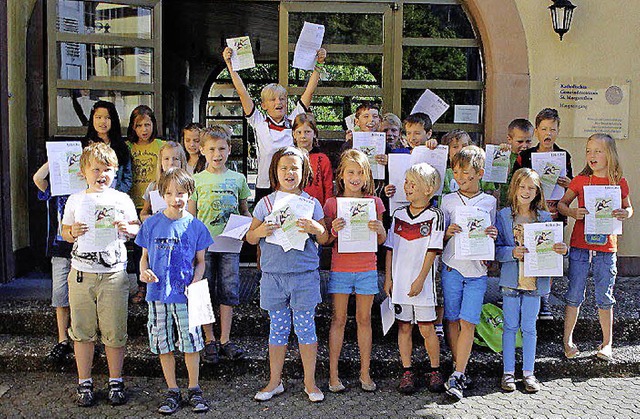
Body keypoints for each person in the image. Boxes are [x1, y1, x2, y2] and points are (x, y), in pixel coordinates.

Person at [246, 147, 329, 402]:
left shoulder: (311, 204)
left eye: (294, 167)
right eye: (283, 168)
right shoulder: (266, 203)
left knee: (306, 329)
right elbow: (249, 238)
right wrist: (260, 232)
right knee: (277, 329)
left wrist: (316, 227)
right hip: (273, 276)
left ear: (304, 172)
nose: (289, 172)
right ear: (275, 172)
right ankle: (274, 381)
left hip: (304, 275)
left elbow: (324, 238)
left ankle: (310, 382)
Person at [61, 143, 139, 407]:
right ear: (84, 171)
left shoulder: (121, 199)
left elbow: (136, 228)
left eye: (107, 169)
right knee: (82, 331)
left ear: (115, 172)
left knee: (115, 331)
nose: (101, 174)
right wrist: (72, 232)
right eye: (96, 169)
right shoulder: (76, 199)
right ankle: (85, 382)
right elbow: (64, 232)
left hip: (114, 274)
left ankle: (115, 381)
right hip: (82, 274)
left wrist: (128, 227)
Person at [136, 167, 213, 415]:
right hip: (157, 292)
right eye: (169, 193)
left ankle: (194, 387)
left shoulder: (197, 227)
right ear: (162, 195)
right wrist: (143, 272)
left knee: (192, 342)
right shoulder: (151, 225)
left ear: (189, 194)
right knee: (163, 342)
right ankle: (172, 389)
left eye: (180, 193)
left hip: (189, 295)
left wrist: (196, 282)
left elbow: (201, 261)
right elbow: (143, 258)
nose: (175, 199)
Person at [558, 133, 633, 362]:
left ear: (609, 154)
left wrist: (624, 213)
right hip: (580, 245)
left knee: (605, 295)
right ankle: (567, 341)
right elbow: (562, 205)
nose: (592, 155)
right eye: (589, 151)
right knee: (574, 294)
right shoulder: (580, 180)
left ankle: (607, 343)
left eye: (597, 151)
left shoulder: (618, 181)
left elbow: (629, 209)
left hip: (606, 247)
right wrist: (572, 212)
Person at [222, 46, 327, 203]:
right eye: (273, 99)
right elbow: (242, 92)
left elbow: (309, 92)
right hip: (265, 185)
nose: (278, 102)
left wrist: (319, 63)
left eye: (282, 99)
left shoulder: (293, 121)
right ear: (263, 105)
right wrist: (230, 65)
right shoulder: (258, 121)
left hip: (290, 184)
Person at [495, 168, 567, 393]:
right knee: (509, 327)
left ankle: (528, 372)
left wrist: (561, 250)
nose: (526, 191)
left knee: (529, 327)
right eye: (522, 186)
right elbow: (495, 250)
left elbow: (555, 249)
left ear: (538, 192)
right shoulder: (503, 216)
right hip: (511, 281)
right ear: (514, 188)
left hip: (535, 283)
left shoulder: (545, 218)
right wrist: (510, 253)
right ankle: (508, 372)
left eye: (531, 188)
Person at [323, 150, 386, 393]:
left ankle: (365, 372)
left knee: (364, 319)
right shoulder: (332, 204)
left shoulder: (375, 203)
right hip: (341, 268)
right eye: (351, 172)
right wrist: (334, 231)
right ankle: (333, 375)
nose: (356, 177)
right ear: (341, 175)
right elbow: (326, 240)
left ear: (367, 175)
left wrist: (380, 229)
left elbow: (380, 241)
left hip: (367, 268)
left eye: (360, 172)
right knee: (338, 319)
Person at [189, 126, 252, 363]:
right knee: (202, 292)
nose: (217, 153)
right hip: (203, 248)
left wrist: (246, 225)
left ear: (229, 150)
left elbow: (244, 210)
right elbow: (191, 218)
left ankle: (225, 339)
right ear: (202, 150)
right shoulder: (195, 180)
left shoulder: (238, 179)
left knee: (228, 291)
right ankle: (209, 339)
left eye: (222, 148)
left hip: (230, 246)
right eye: (212, 149)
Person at [440, 145, 497, 400]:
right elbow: (436, 236)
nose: (461, 179)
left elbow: (491, 233)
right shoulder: (448, 200)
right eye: (457, 174)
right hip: (452, 267)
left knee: (468, 321)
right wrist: (446, 232)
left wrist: (492, 237)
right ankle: (457, 367)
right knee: (452, 318)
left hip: (476, 272)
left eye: (468, 175)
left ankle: (458, 373)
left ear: (480, 173)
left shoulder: (490, 201)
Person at [383, 163, 446, 394]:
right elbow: (390, 248)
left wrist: (420, 280)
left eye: (413, 184)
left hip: (423, 287)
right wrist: (388, 278)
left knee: (427, 329)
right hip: (399, 285)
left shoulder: (436, 215)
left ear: (429, 189)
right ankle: (407, 371)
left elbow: (432, 250)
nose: (407, 187)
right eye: (406, 182)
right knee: (404, 328)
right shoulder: (398, 214)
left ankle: (435, 369)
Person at [512, 108, 573, 320]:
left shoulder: (564, 156)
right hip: (529, 211)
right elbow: (515, 180)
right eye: (544, 129)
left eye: (553, 129)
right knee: (526, 250)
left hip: (554, 212)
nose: (548, 133)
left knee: (548, 252)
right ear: (536, 131)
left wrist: (568, 183)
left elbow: (571, 185)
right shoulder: (525, 156)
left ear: (558, 131)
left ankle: (544, 298)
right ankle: (522, 290)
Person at [33, 162, 73, 364]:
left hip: (84, 248)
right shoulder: (54, 189)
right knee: (60, 293)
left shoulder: (85, 188)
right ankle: (62, 339)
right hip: (59, 248)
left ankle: (86, 336)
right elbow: (38, 178)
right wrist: (54, 158)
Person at [83, 100, 132, 193]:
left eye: (107, 118)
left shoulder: (122, 147)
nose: (103, 121)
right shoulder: (84, 146)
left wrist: (115, 195)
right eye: (98, 117)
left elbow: (127, 178)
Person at [126, 105, 165, 209]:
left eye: (147, 125)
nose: (144, 129)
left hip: (155, 202)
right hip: (132, 202)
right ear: (133, 127)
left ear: (153, 124)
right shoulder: (127, 147)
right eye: (139, 125)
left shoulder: (162, 145)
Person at [140, 141, 188, 222]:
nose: (171, 163)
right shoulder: (153, 186)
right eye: (166, 159)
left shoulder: (188, 185)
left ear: (181, 162)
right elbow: (144, 212)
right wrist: (148, 218)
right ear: (161, 162)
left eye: (175, 159)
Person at [293, 113, 334, 206]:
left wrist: (327, 209)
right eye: (299, 132)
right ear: (293, 134)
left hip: (317, 207)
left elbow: (328, 187)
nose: (303, 136)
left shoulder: (322, 159)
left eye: (307, 132)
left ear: (314, 133)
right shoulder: (288, 158)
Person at [440, 129, 496, 197]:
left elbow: (491, 191)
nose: (460, 150)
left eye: (464, 146)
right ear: (448, 150)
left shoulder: (478, 171)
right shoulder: (444, 173)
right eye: (455, 147)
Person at [498, 119, 534, 208]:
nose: (524, 146)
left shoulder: (534, 157)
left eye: (528, 141)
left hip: (528, 206)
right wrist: (500, 155)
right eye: (520, 141)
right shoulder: (504, 156)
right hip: (506, 205)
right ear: (509, 139)